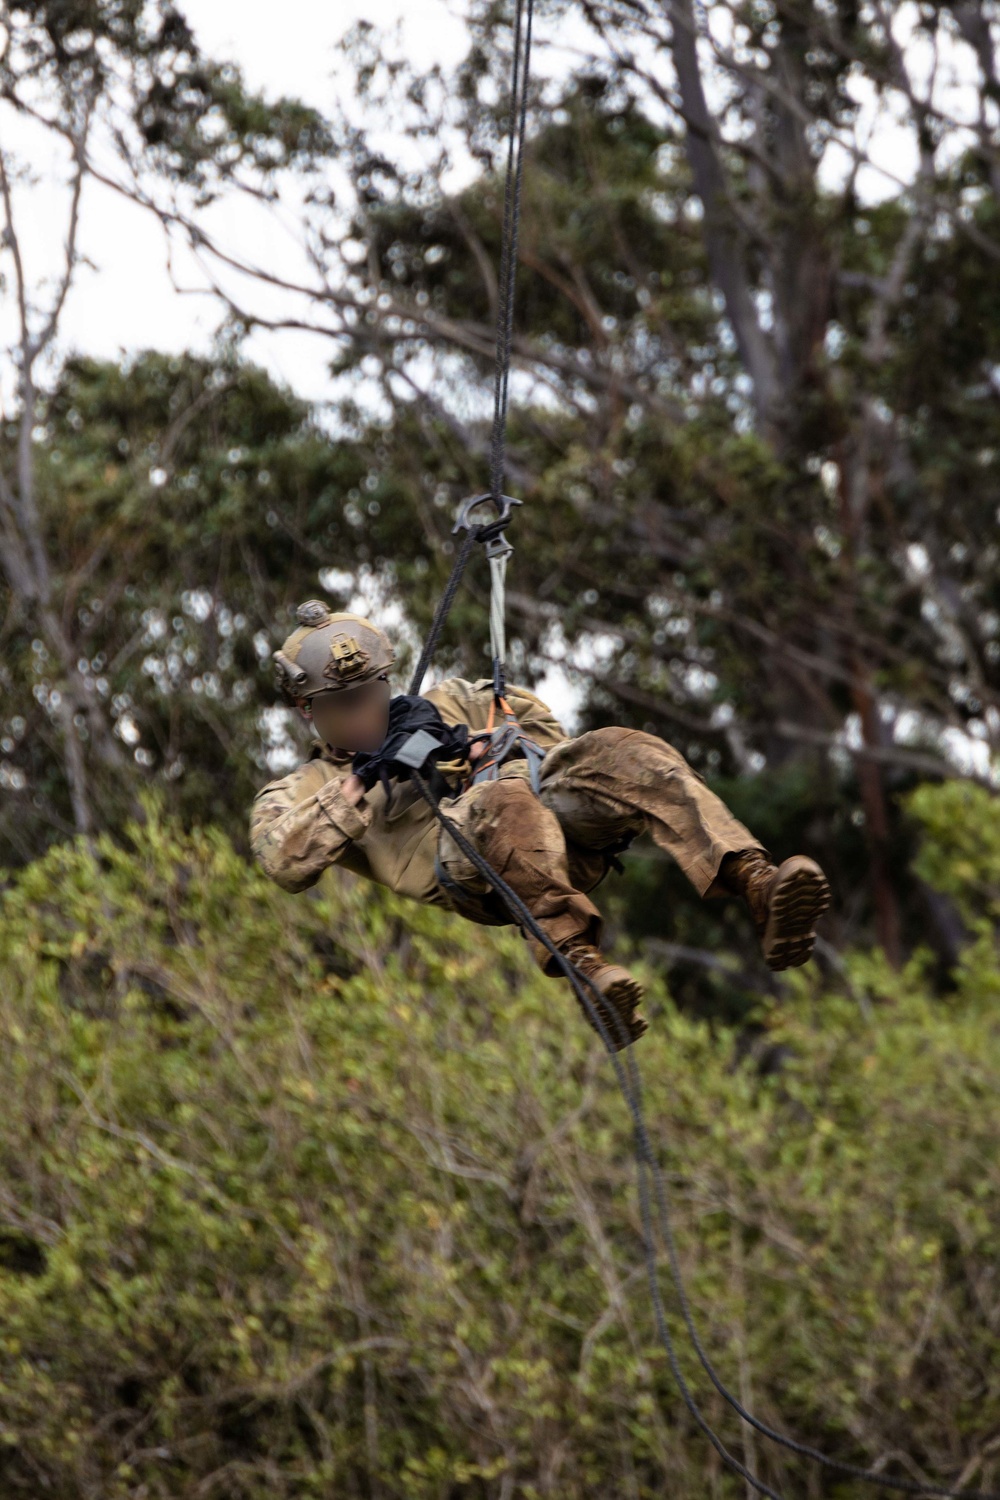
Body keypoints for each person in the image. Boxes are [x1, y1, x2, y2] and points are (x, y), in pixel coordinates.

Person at [250, 601, 831, 1050]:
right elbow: (283, 858)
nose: (366, 711)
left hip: (560, 823)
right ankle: (587, 970)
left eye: (374, 692)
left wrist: (490, 746)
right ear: (308, 711)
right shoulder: (303, 787)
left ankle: (758, 883)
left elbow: (552, 739)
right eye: (346, 703)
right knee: (498, 804)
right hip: (478, 871)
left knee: (628, 751)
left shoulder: (452, 700)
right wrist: (364, 780)